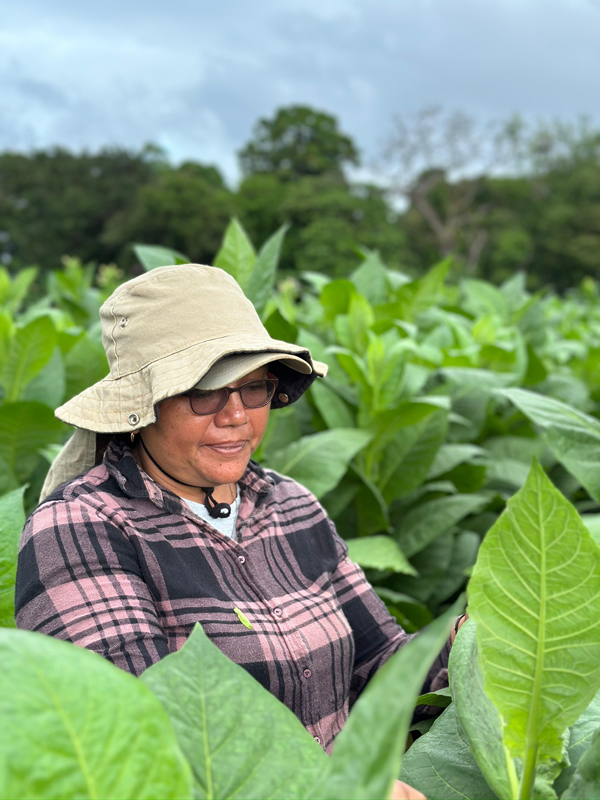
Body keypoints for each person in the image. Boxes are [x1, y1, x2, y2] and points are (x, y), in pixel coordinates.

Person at [15, 264, 461, 797]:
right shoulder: (81, 526)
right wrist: (341, 788)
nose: (235, 416)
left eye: (253, 389)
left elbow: (382, 668)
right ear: (142, 407)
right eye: (204, 393)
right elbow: (141, 740)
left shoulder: (291, 504)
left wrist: (479, 639)